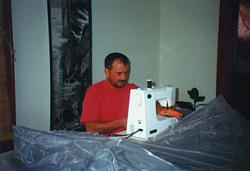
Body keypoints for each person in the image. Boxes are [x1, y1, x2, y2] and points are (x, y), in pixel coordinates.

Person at [80, 52, 166, 136]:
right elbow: (91, 128)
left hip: (133, 137)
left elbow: (154, 105)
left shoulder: (133, 88)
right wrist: (120, 123)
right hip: (109, 144)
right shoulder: (95, 91)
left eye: (126, 73)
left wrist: (164, 110)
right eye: (119, 73)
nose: (124, 78)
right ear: (107, 72)